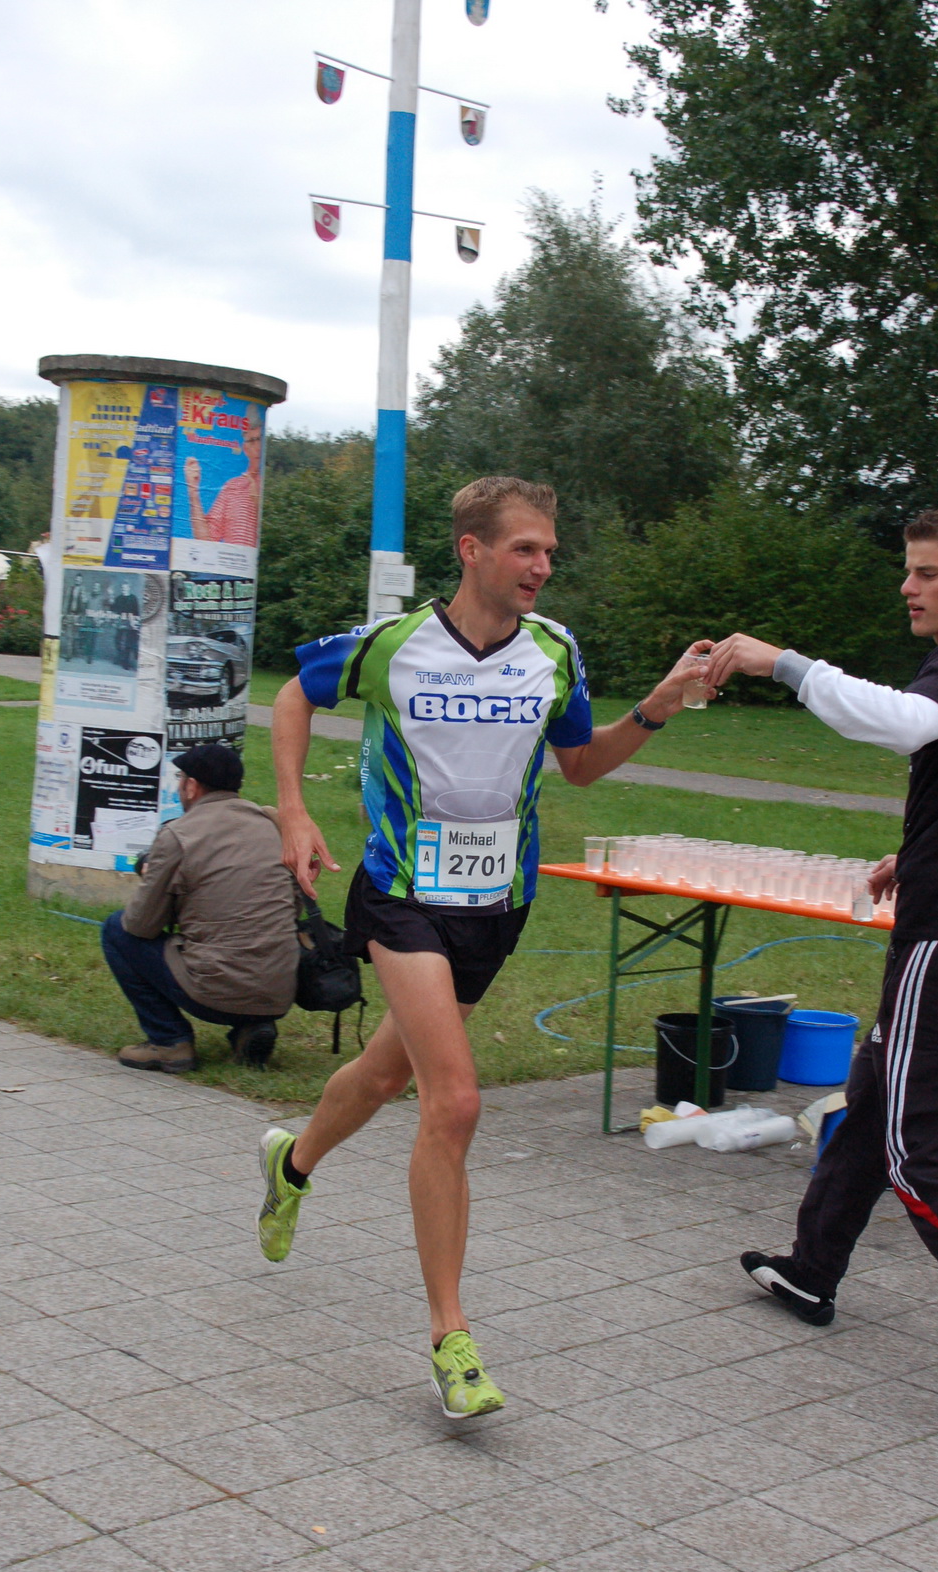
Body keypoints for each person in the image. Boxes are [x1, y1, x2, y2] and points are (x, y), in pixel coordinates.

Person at [257, 475, 706, 1419]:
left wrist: (658, 705)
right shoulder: (391, 646)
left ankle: (291, 1164)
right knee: (451, 1101)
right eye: (525, 549)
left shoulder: (553, 651)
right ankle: (450, 1339)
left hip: (498, 905)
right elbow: (294, 696)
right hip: (401, 896)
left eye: (548, 551)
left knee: (384, 1077)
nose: (543, 566)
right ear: (472, 550)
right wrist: (293, 808)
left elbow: (580, 765)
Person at [703, 500, 938, 1432]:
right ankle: (809, 1267)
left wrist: (781, 664)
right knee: (875, 1095)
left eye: (926, 572)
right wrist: (918, 851)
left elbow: (906, 722)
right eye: (907, 570)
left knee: (922, 1151)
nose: (907, 588)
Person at [101, 743, 299, 1074]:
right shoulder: (271, 824)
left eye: (180, 779)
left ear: (191, 786)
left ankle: (169, 1042)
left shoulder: (178, 835)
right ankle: (250, 1027)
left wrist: (157, 882)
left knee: (114, 929)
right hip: (280, 988)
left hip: (214, 989)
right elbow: (289, 906)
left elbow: (139, 926)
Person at [183, 416, 262, 548]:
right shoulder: (233, 486)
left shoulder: (270, 486)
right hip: (232, 564)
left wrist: (256, 502)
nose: (258, 447)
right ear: (245, 448)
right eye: (253, 441)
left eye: (260, 439)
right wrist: (193, 490)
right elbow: (206, 541)